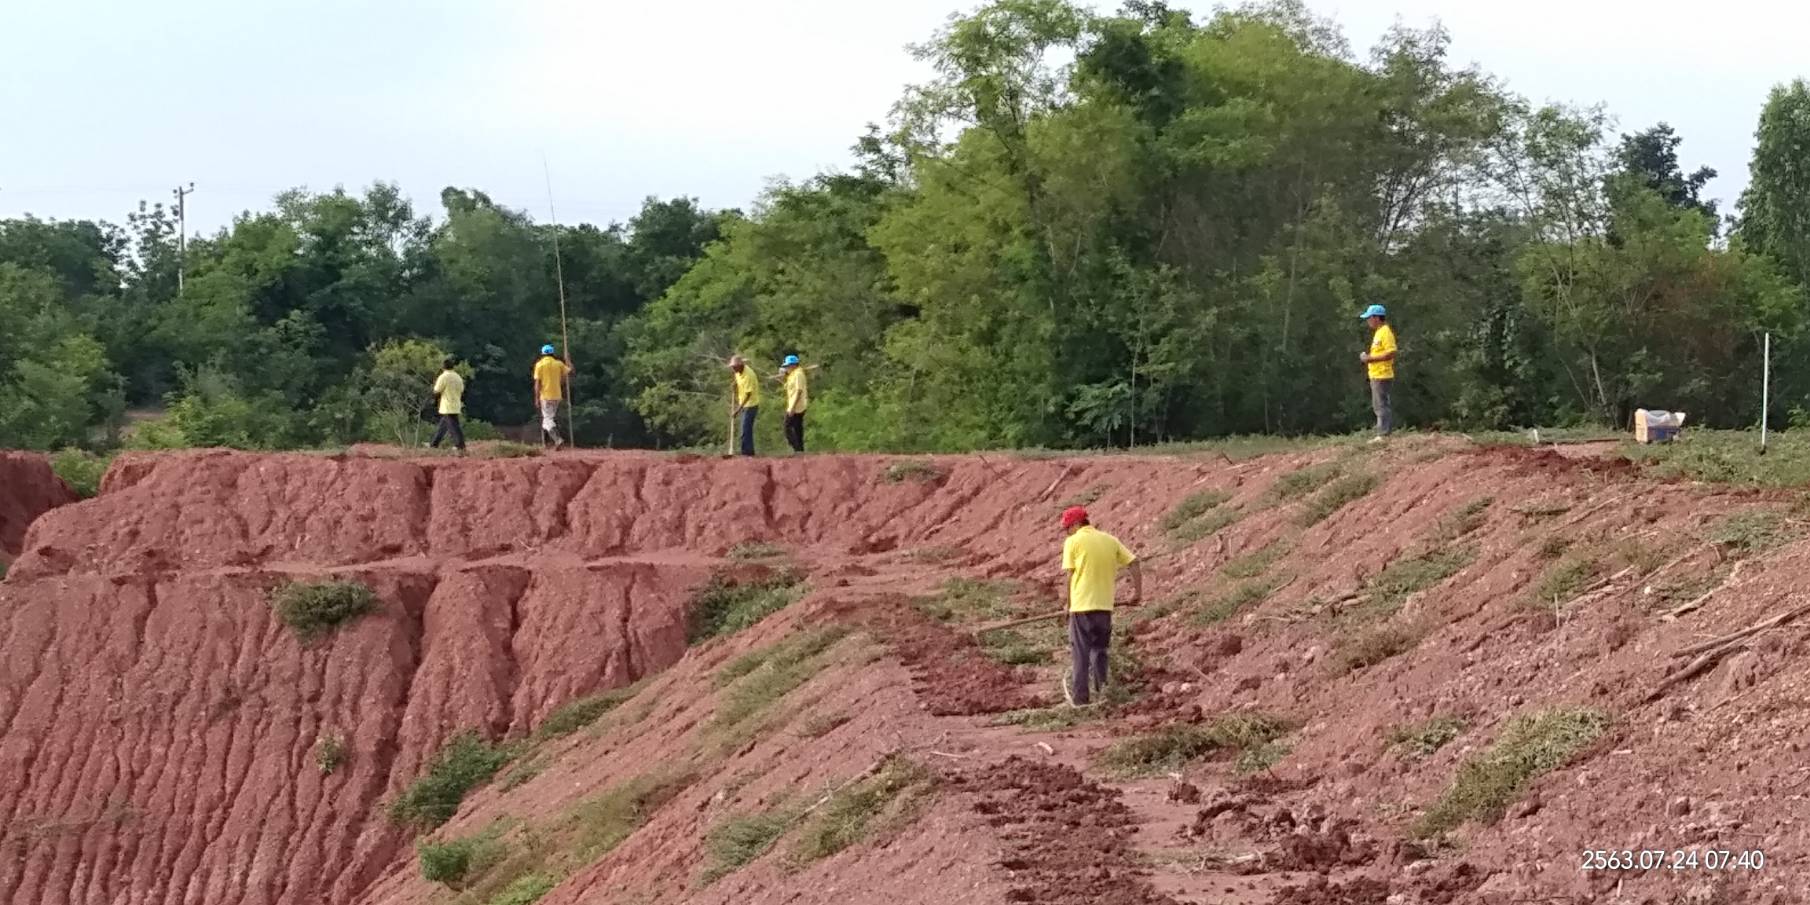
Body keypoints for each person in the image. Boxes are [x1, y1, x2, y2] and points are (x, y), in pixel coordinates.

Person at [1059, 506, 1141, 707]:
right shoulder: (1110, 540)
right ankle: (1103, 692)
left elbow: (1070, 576)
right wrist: (1137, 594)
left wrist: (1068, 606)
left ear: (1076, 524)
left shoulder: (1073, 542)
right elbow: (1134, 563)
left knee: (1080, 653)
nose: (1067, 532)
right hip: (1104, 607)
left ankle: (1080, 701)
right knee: (1100, 650)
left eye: (1067, 528)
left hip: (1081, 607)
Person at [1358, 304, 1397, 441]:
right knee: (1378, 404)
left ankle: (1383, 434)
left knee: (1381, 405)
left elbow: (1391, 353)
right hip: (1377, 374)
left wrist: (1369, 358)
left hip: (1382, 374)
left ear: (1376, 318)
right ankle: (1382, 432)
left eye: (1369, 318)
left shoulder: (1385, 332)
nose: (1368, 321)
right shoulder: (1379, 332)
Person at [533, 344, 571, 449]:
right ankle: (545, 444)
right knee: (549, 418)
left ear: (542, 354)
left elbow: (537, 384)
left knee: (547, 419)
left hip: (545, 396)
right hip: (557, 395)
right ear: (552, 353)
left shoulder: (539, 365)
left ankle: (557, 439)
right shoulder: (558, 364)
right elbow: (570, 371)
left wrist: (536, 398)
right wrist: (568, 360)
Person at [428, 357, 466, 454]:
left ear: (443, 367)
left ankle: (460, 445)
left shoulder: (443, 377)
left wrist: (433, 399)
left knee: (453, 426)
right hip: (456, 404)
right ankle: (434, 444)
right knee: (443, 426)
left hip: (447, 405)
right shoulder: (458, 377)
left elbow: (436, 390)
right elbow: (462, 390)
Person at [729, 354, 759, 456]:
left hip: (750, 405)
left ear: (740, 365)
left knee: (745, 430)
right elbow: (738, 381)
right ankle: (748, 452)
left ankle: (747, 453)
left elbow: (748, 395)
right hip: (744, 404)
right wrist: (735, 384)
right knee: (745, 430)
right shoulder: (738, 372)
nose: (733, 369)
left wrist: (737, 410)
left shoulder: (748, 375)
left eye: (734, 367)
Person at [781, 354, 808, 453]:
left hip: (797, 406)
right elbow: (788, 387)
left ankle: (797, 449)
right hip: (794, 404)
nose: (786, 368)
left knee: (787, 427)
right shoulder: (792, 375)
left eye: (787, 366)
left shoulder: (798, 374)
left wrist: (792, 407)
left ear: (793, 365)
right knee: (797, 428)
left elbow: (798, 391)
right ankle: (800, 450)